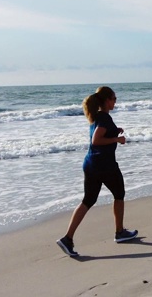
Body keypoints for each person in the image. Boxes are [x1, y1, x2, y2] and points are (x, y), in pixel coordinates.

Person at [56, 86, 137, 257]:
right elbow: (96, 140)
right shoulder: (104, 118)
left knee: (88, 200)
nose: (115, 101)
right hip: (104, 165)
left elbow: (101, 133)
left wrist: (115, 130)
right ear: (107, 100)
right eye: (114, 99)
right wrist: (117, 138)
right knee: (119, 194)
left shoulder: (97, 117)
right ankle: (120, 232)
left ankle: (67, 238)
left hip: (91, 164)